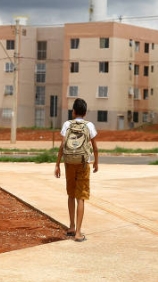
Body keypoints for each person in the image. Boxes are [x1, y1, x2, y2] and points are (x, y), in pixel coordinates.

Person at [54, 98, 99, 242]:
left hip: (69, 163)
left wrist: (57, 164)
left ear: (73, 112)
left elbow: (62, 146)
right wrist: (96, 162)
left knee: (71, 194)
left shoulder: (67, 124)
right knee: (81, 197)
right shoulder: (89, 125)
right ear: (85, 113)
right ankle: (78, 233)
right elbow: (95, 147)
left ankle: (71, 227)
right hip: (83, 163)